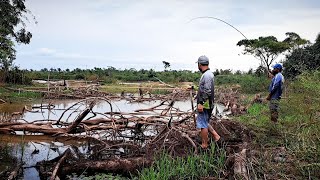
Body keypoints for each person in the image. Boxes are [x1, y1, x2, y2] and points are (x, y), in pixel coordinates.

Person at [196, 55, 221, 149]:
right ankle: (216, 136)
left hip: (205, 104)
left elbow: (207, 91)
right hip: (208, 103)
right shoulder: (209, 74)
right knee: (205, 121)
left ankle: (204, 144)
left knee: (203, 125)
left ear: (199, 64)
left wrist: (201, 104)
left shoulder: (206, 75)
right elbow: (204, 89)